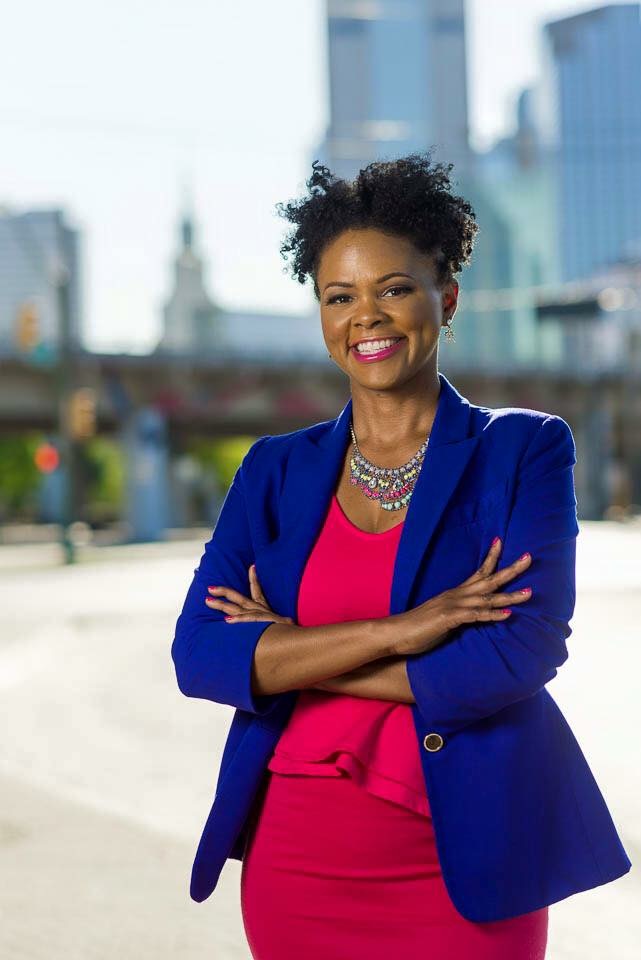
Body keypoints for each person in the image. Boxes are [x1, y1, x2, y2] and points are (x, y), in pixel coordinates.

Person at [171, 153, 631, 959]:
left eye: (393, 289)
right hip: (298, 859)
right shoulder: (272, 470)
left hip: (462, 860)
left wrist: (290, 652)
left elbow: (513, 656)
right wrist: (402, 630)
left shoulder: (521, 449)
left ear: (443, 298)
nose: (366, 317)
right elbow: (202, 655)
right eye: (339, 297)